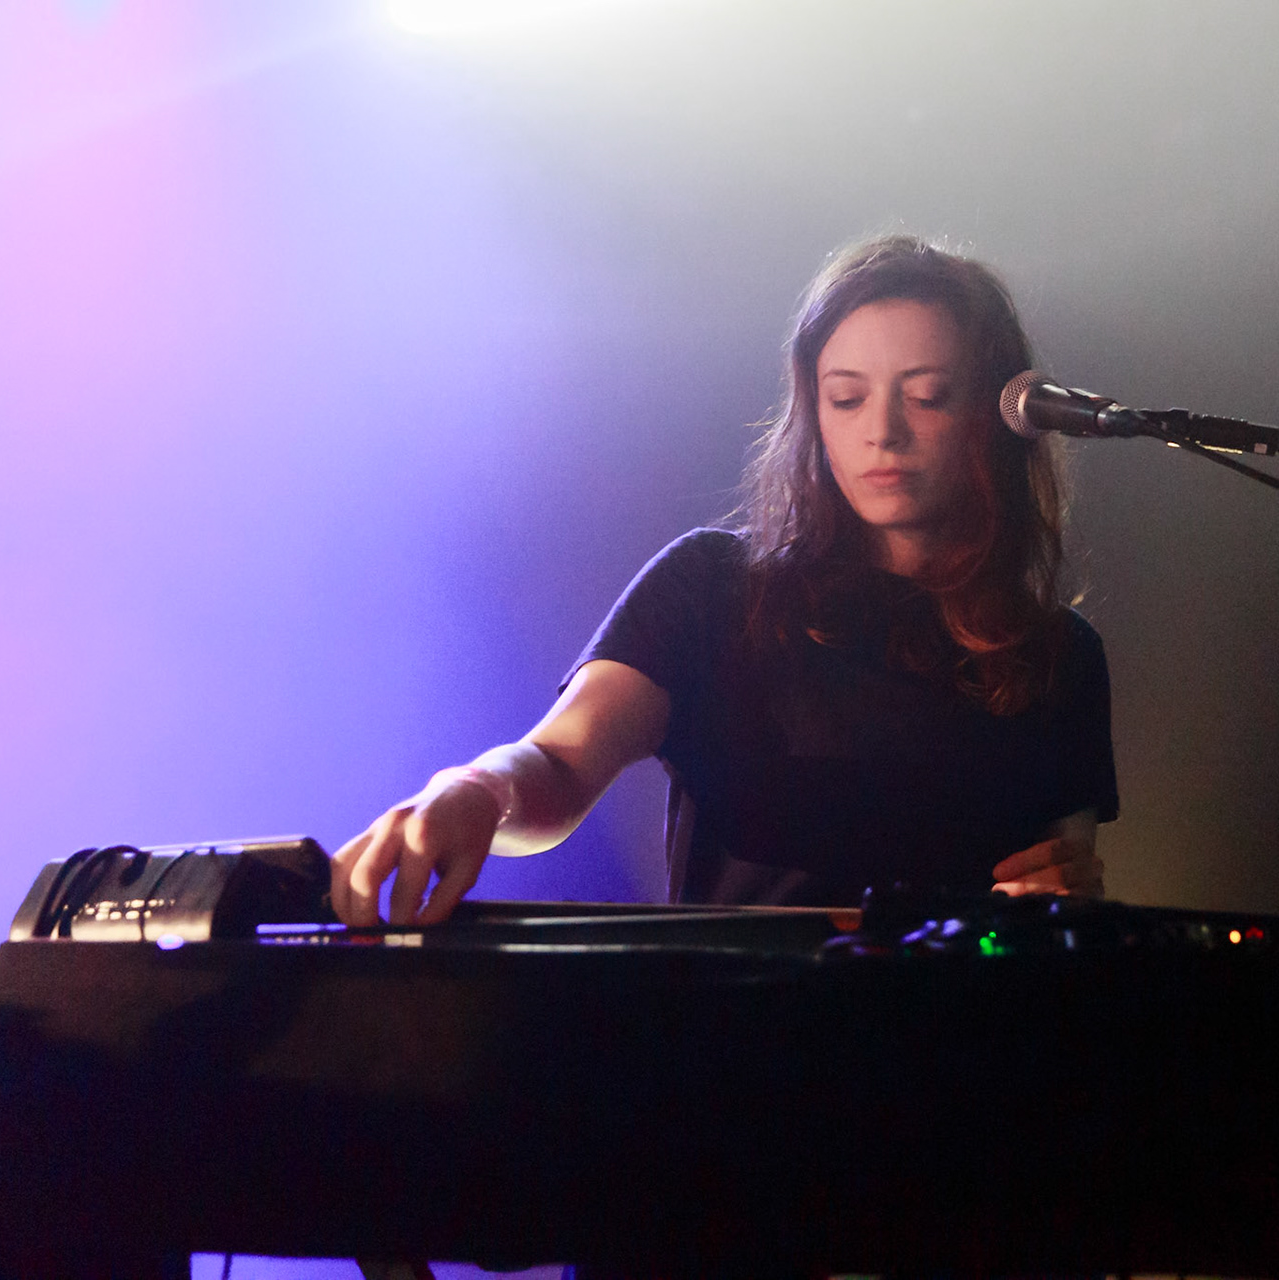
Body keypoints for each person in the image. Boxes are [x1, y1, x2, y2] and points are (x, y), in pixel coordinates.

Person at [329, 235, 1118, 927]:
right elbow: (560, 765)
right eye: (846, 398)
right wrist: (474, 789)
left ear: (999, 413)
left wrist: (1064, 900)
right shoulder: (712, 587)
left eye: (927, 396)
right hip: (733, 1029)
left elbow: (1058, 883)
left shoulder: (1060, 654)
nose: (882, 431)